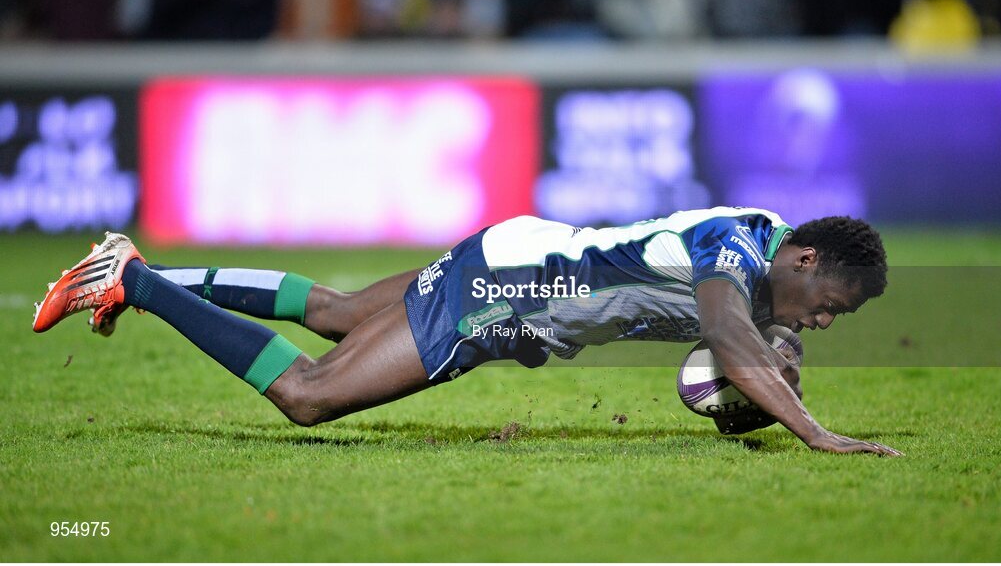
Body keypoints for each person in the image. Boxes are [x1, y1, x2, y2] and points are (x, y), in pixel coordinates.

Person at [32, 207, 902, 457]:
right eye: (831, 301)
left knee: (333, 310)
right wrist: (815, 432)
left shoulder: (758, 251)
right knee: (309, 394)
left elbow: (748, 342)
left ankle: (125, 271)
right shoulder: (736, 251)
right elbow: (727, 332)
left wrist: (771, 374)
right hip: (506, 291)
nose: (824, 320)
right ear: (807, 256)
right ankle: (134, 278)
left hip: (516, 251)